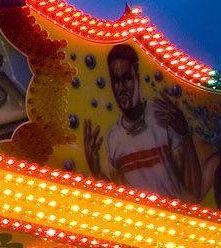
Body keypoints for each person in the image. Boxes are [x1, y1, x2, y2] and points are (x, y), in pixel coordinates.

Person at [83, 42, 204, 200]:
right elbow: (118, 197)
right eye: (116, 81)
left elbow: (194, 190)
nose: (121, 87)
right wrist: (96, 171)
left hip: (171, 213)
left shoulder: (161, 116)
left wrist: (185, 134)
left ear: (137, 76)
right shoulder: (113, 138)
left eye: (127, 78)